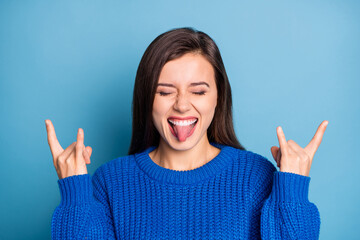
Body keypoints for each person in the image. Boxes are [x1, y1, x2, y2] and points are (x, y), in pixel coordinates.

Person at [46, 27, 328, 239]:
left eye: (198, 91)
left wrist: (292, 187)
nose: (181, 105)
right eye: (165, 92)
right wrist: (75, 193)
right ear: (148, 99)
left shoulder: (257, 176)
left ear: (218, 97)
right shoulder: (110, 182)